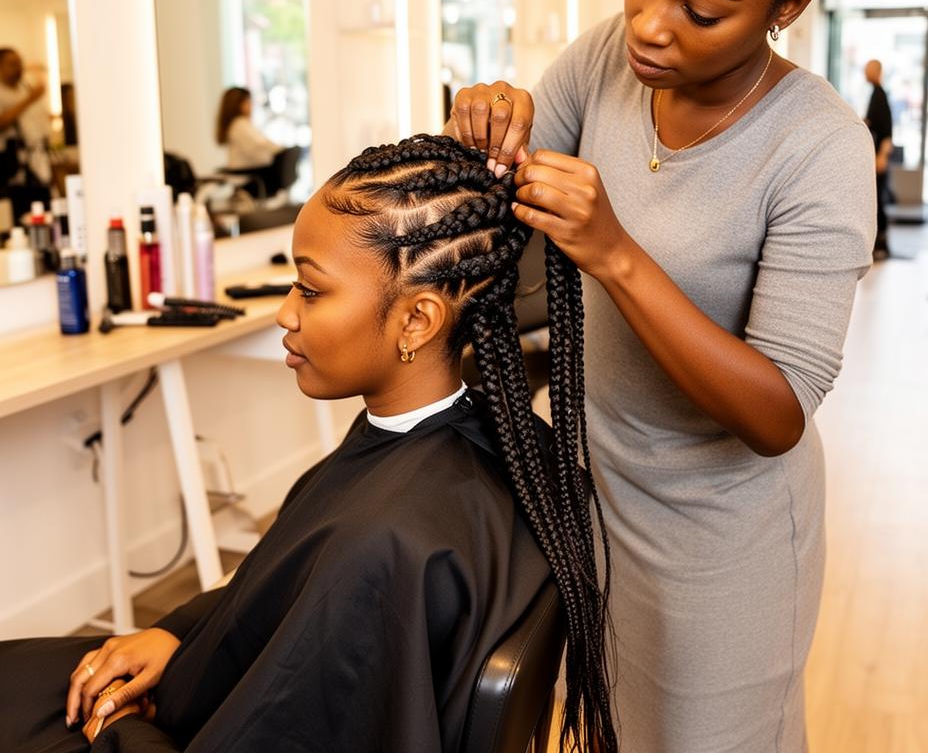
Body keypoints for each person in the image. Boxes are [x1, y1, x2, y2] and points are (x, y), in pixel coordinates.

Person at [447, 0, 917, 748]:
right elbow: (521, 169)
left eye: (702, 9)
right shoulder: (613, 54)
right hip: (595, 492)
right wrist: (494, 115)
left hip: (726, 541)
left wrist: (615, 250)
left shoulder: (817, 147)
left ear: (787, 7)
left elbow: (777, 410)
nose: (653, 25)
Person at [0, 136, 616, 753]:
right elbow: (276, 592)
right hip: (203, 675)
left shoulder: (381, 544)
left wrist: (116, 728)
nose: (284, 314)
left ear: (417, 321)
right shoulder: (499, 442)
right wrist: (179, 634)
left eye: (311, 290)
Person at [0, 47, 52, 204]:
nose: (18, 67)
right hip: (11, 167)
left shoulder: (25, 88)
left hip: (38, 159)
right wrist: (30, 99)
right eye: (12, 63)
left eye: (19, 62)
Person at [863, 59, 893, 258]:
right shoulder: (875, 93)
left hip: (878, 156)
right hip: (874, 154)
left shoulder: (880, 95)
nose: (865, 73)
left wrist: (882, 156)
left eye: (868, 70)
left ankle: (881, 244)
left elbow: (887, 130)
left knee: (878, 200)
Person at [214, 86, 281, 171]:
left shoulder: (240, 124)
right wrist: (280, 151)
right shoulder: (239, 125)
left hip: (248, 173)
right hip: (247, 175)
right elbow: (260, 147)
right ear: (237, 104)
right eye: (247, 101)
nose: (251, 105)